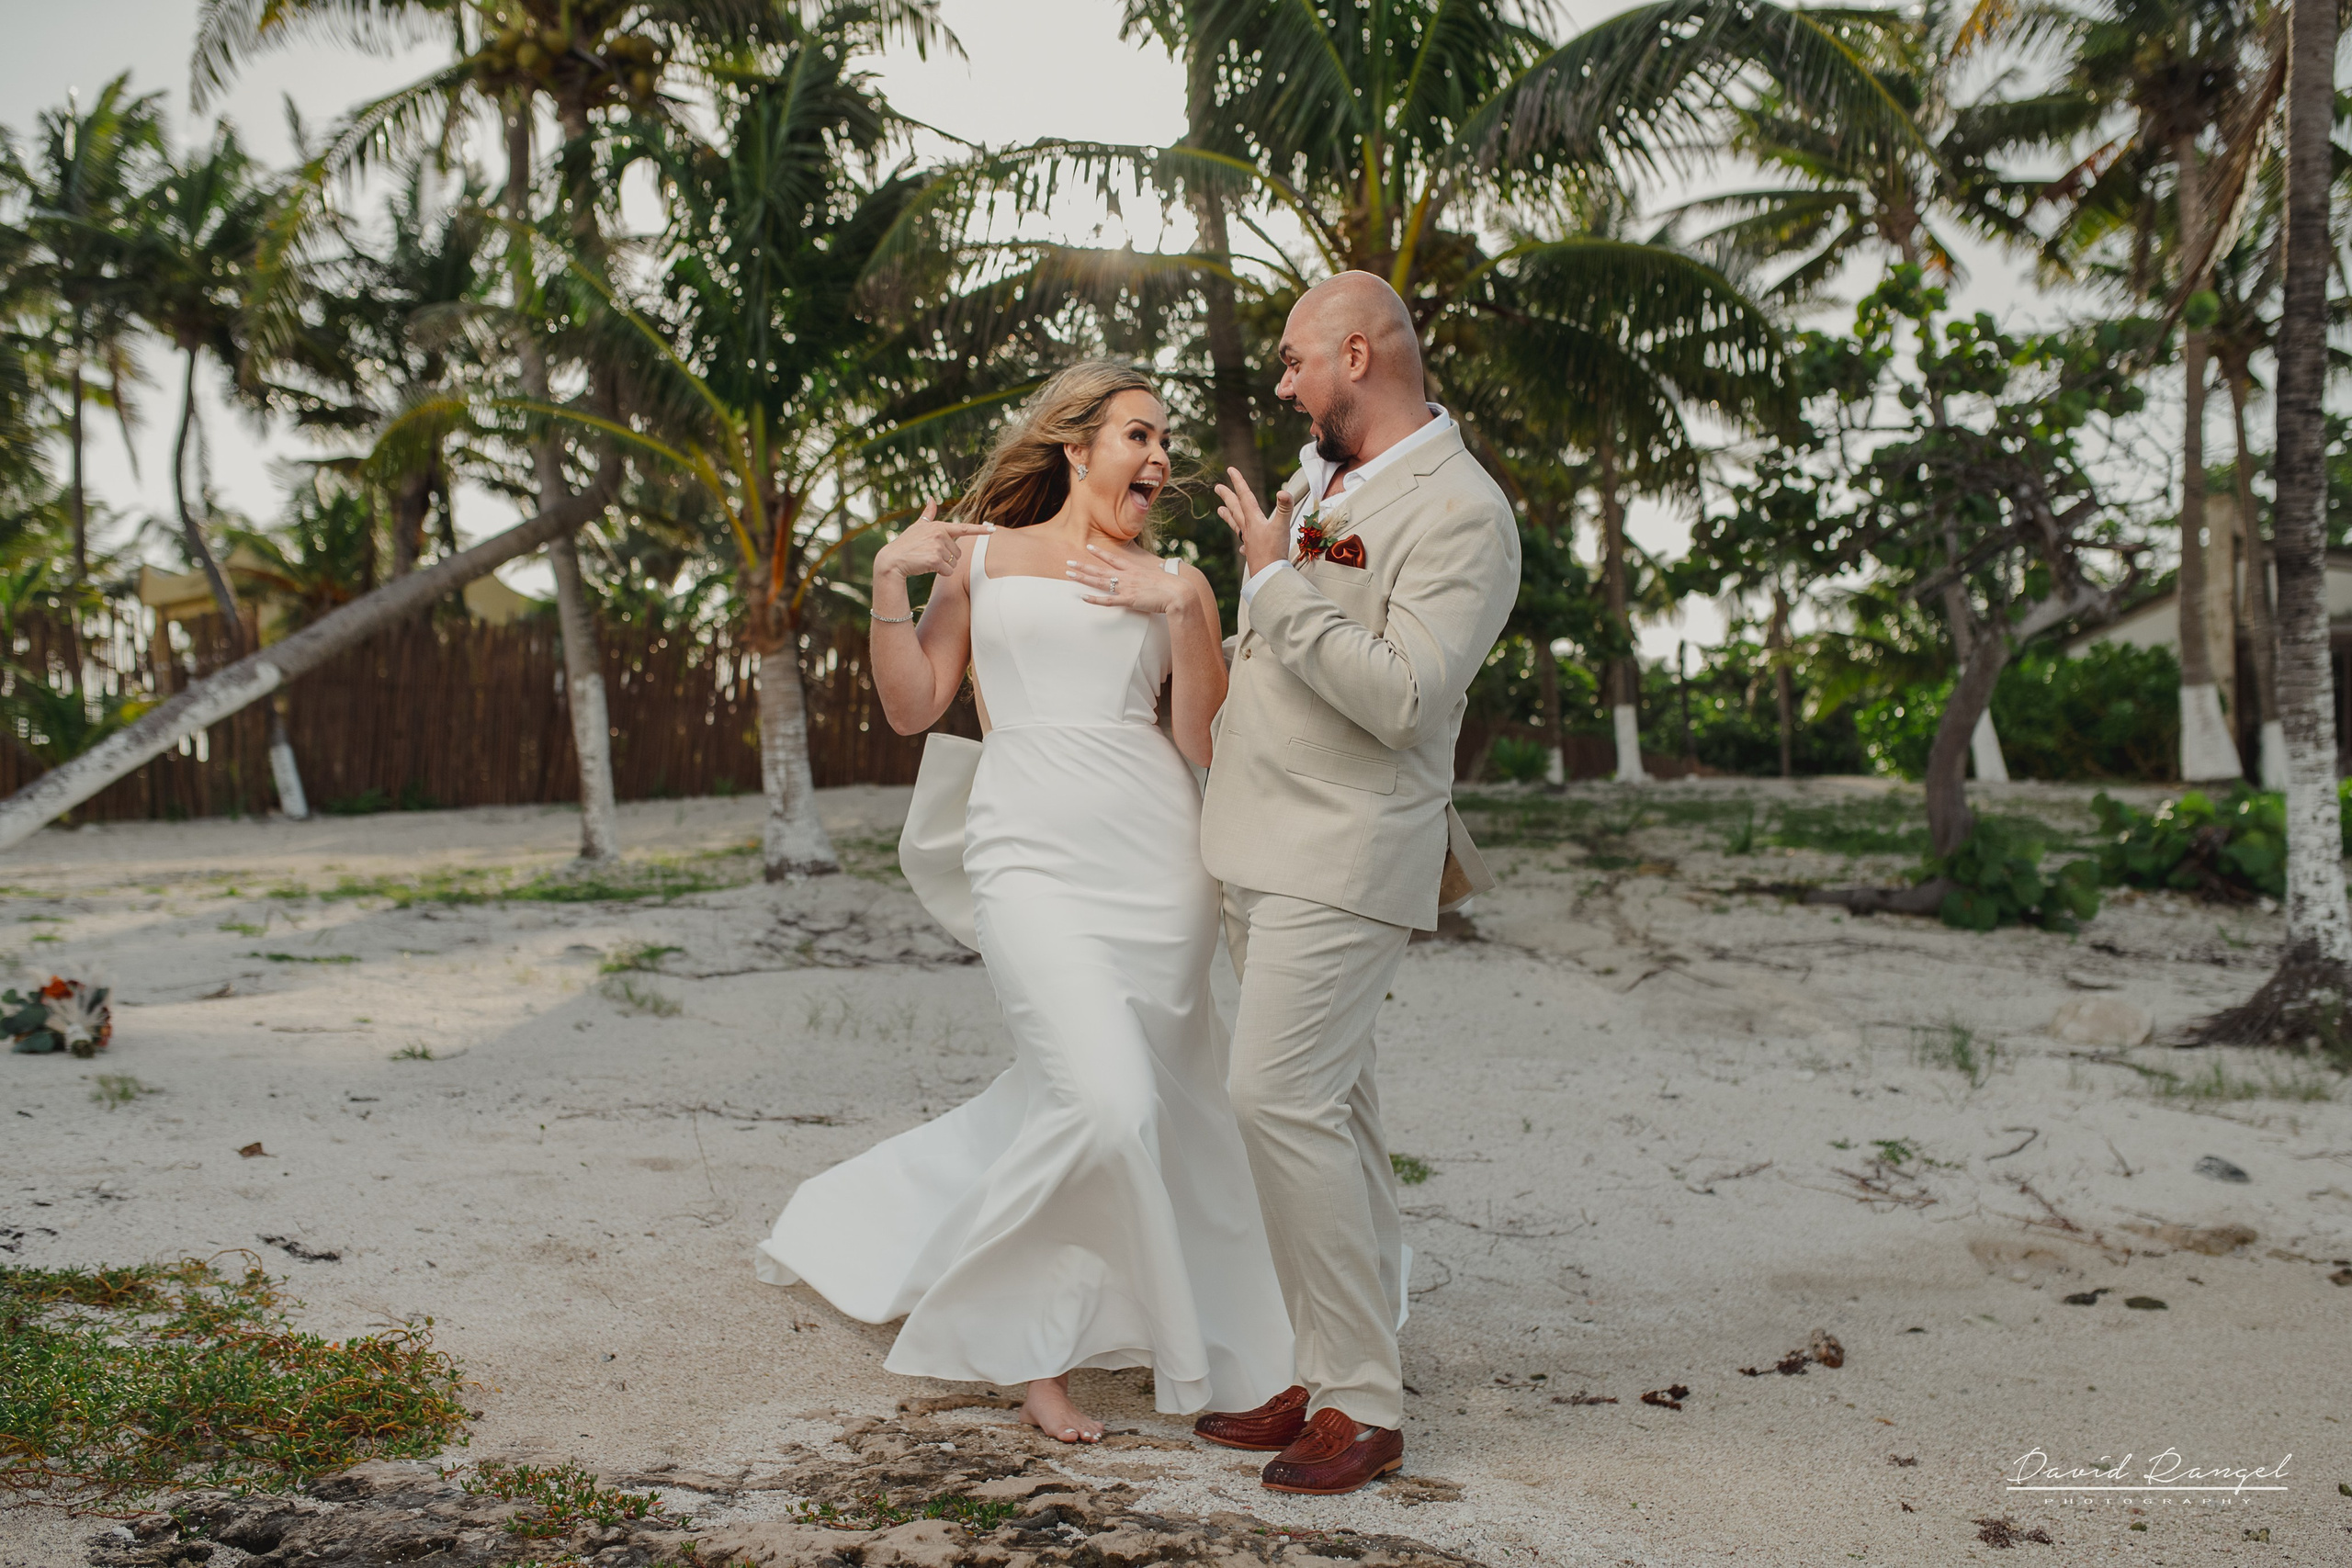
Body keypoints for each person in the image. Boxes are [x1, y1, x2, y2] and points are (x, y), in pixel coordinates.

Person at [752, 362, 1294, 1445]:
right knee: (1104, 1102)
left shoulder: (1172, 576)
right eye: (1137, 435)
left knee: (1145, 1105)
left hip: (1157, 864)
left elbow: (1198, 741)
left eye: (1165, 441)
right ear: (1074, 446)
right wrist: (891, 584)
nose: (1157, 458)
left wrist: (1188, 602)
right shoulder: (983, 559)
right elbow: (913, 708)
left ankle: (1091, 1338)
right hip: (1027, 857)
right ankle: (1016, 1338)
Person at [1194, 272, 1520, 1495]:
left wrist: (1275, 581)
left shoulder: (1467, 513)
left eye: (1293, 361)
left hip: (1349, 846)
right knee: (1332, 1114)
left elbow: (1402, 694)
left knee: (1274, 1094)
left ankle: (1365, 1407)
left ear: (1357, 352)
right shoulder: (1313, 478)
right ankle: (1330, 1365)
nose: (1282, 383)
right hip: (1259, 838)